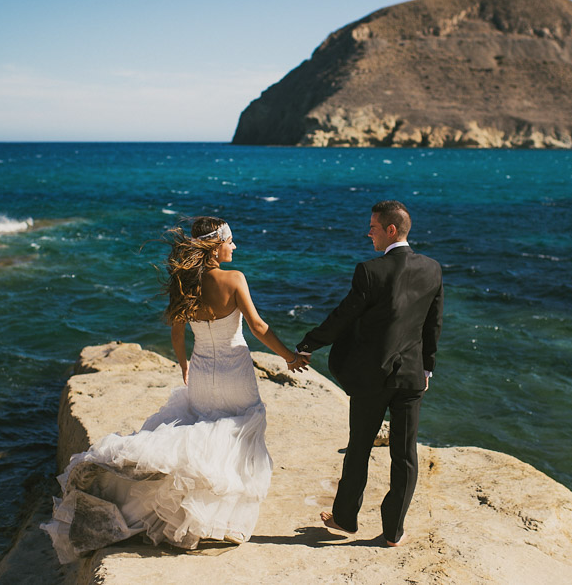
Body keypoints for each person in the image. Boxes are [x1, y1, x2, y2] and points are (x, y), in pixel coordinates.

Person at [41, 216, 307, 563]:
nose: (234, 246)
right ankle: (215, 519)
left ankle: (187, 512)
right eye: (230, 241)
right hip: (234, 372)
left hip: (201, 372)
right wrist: (288, 356)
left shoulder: (184, 283)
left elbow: (177, 334)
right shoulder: (235, 279)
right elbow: (257, 326)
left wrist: (184, 364)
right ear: (215, 246)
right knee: (239, 432)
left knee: (205, 430)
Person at [296, 200, 443, 547]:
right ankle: (393, 532)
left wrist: (307, 344)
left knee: (359, 447)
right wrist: (427, 368)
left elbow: (343, 316)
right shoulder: (432, 268)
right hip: (410, 377)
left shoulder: (370, 270)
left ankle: (345, 519)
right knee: (405, 456)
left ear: (391, 230)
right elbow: (433, 324)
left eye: (373, 227)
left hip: (371, 378)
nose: (369, 232)